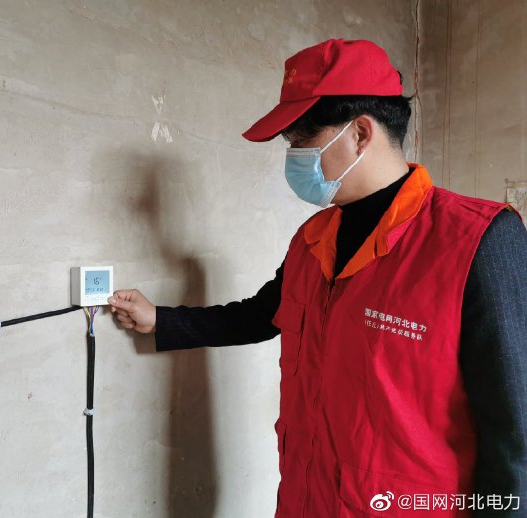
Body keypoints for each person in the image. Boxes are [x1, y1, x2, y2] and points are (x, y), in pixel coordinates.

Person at [108, 39, 527, 517]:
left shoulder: (477, 240)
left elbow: (514, 434)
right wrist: (160, 319)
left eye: (300, 142)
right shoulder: (313, 239)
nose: (293, 158)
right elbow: (262, 315)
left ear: (360, 133)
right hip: (306, 501)